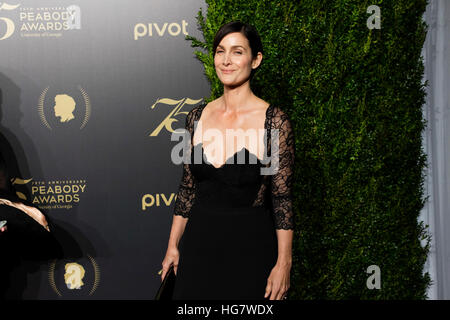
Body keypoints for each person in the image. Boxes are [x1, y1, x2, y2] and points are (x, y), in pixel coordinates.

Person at [160, 21, 295, 300]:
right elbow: (187, 189)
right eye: (220, 51)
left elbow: (281, 199)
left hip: (250, 249)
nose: (226, 61)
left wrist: (284, 263)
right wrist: (173, 246)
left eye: (237, 52)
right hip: (199, 247)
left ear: (255, 60)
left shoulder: (275, 122)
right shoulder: (196, 117)